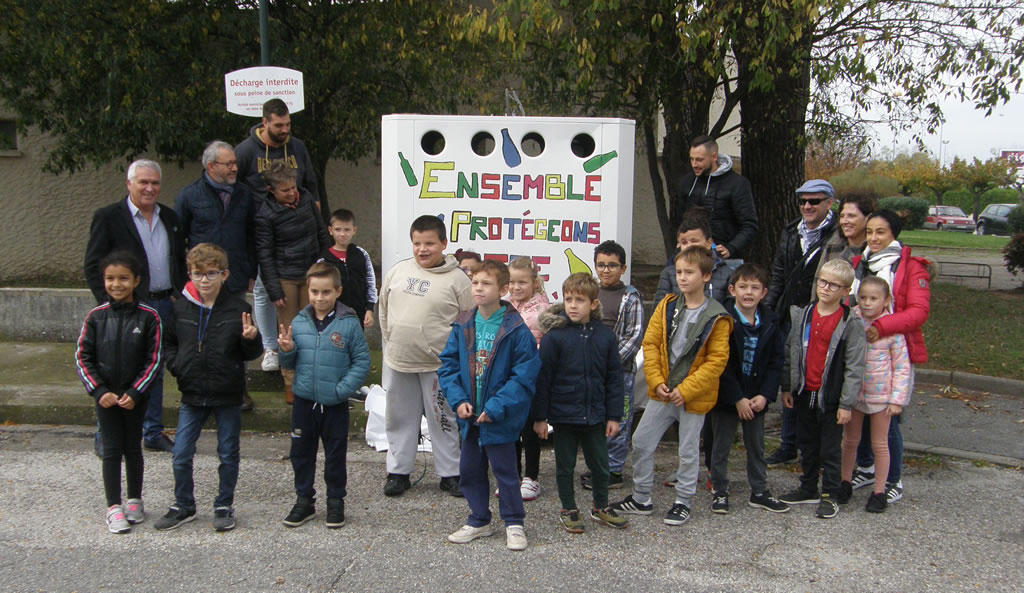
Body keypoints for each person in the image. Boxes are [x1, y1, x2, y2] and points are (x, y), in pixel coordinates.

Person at [610, 246, 732, 527]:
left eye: (689, 272)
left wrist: (686, 390)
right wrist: (656, 381)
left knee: (688, 451)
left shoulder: (718, 316)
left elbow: (716, 362)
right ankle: (641, 498)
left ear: (706, 276)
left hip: (693, 396)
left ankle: (683, 502)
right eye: (679, 272)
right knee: (641, 442)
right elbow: (650, 344)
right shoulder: (667, 306)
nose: (683, 277)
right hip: (663, 392)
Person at [154, 244, 263, 532]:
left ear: (224, 275)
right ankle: (184, 505)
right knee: (181, 453)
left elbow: (250, 353)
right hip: (192, 393)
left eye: (211, 273)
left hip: (227, 393)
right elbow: (169, 343)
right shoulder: (179, 308)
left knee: (228, 453)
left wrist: (251, 338)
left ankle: (224, 504)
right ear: (189, 274)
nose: (204, 280)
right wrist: (177, 365)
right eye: (197, 274)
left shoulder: (239, 308)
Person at [84, 159, 186, 454]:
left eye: (154, 182)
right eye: (143, 182)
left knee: (152, 369)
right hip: (124, 307)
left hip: (164, 305)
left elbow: (178, 259)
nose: (149, 188)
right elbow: (93, 265)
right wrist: (109, 304)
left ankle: (152, 431)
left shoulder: (170, 217)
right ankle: (107, 434)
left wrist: (178, 293)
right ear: (129, 184)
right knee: (116, 368)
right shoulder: (108, 217)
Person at [438, 260, 541, 551]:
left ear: (503, 289)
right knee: (470, 470)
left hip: (499, 418)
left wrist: (496, 407)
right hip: (469, 417)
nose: (478, 288)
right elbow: (447, 367)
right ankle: (479, 520)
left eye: (486, 283)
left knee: (506, 473)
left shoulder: (516, 328)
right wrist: (458, 401)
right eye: (475, 282)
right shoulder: (463, 323)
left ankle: (514, 522)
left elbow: (524, 376)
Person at [378, 215, 473, 497]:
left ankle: (450, 473)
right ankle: (398, 471)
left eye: (429, 243)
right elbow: (383, 309)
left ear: (443, 243)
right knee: (398, 418)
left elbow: (467, 322)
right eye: (417, 243)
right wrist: (392, 337)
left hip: (439, 366)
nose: (422, 249)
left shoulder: (459, 280)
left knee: (443, 418)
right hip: (399, 360)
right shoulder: (398, 271)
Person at [75, 251, 163, 533]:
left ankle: (135, 499)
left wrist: (136, 392)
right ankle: (114, 506)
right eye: (110, 279)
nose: (117, 284)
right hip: (106, 397)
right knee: (111, 450)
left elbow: (154, 358)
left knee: (133, 448)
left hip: (134, 397)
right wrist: (99, 390)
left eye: (124, 278)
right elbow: (82, 356)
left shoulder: (149, 317)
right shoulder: (96, 317)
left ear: (136, 281)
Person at [533, 273, 628, 533]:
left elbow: (614, 379)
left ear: (594, 304)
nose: (573, 305)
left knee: (600, 465)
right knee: (565, 466)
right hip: (564, 417)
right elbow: (543, 380)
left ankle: (601, 507)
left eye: (579, 300)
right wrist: (540, 417)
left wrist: (613, 416)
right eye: (568, 299)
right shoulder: (554, 337)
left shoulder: (605, 336)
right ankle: (568, 508)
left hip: (596, 416)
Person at [278, 262, 370, 529]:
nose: (320, 298)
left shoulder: (349, 323)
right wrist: (286, 350)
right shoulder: (299, 321)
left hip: (335, 405)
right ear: (308, 291)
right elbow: (290, 361)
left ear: (338, 291)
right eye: (315, 292)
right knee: (301, 454)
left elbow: (362, 361)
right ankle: (304, 500)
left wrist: (342, 389)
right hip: (304, 402)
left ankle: (335, 501)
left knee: (335, 455)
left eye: (326, 292)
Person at [848, 209, 931, 503]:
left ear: (894, 234)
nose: (873, 238)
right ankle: (867, 467)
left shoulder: (910, 268)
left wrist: (882, 327)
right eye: (869, 232)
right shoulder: (860, 264)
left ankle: (893, 479)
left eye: (880, 232)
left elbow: (918, 312)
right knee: (857, 414)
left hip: (893, 348)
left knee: (887, 421)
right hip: (861, 353)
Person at [235, 98, 319, 375]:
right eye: (279, 125)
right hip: (263, 228)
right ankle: (270, 347)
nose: (285, 130)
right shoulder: (246, 151)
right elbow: (236, 189)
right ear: (265, 122)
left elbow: (311, 183)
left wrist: (312, 210)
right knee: (264, 288)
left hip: (298, 231)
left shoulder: (297, 147)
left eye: (288, 124)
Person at [777, 259, 866, 519]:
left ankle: (830, 493)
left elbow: (855, 366)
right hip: (804, 392)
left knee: (829, 447)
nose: (825, 288)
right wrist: (787, 387)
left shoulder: (850, 323)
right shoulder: (802, 315)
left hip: (832, 397)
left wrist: (846, 404)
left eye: (833, 285)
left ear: (845, 291)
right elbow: (790, 353)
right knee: (807, 443)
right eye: (822, 282)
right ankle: (807, 487)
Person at [175, 140, 258, 411]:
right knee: (201, 336)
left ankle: (239, 390)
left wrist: (251, 270)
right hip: (201, 281)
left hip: (232, 278)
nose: (235, 167)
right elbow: (179, 241)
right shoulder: (189, 196)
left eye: (235, 162)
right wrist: (182, 280)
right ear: (211, 166)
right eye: (229, 163)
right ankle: (199, 389)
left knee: (235, 334)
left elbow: (251, 236)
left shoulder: (244, 195)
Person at [763, 179, 841, 466]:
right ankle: (788, 443)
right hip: (790, 313)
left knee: (817, 378)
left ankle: (815, 446)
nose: (807, 206)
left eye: (814, 201)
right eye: (803, 201)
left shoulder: (837, 234)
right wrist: (770, 310)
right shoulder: (790, 231)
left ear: (829, 203)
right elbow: (779, 272)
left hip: (820, 314)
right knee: (791, 377)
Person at [708, 263, 789, 515]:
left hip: (756, 397)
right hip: (728, 397)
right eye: (743, 286)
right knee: (721, 445)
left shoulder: (771, 322)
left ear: (764, 293)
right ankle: (719, 489)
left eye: (755, 288)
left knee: (757, 445)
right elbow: (723, 365)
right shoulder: (723, 320)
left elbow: (776, 363)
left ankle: (759, 490)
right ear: (732, 289)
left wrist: (765, 395)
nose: (748, 292)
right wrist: (737, 398)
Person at [254, 161, 331, 404]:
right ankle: (290, 382)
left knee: (314, 326)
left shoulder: (306, 199)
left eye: (293, 187)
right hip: (285, 276)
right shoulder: (264, 215)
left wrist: (325, 263)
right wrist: (274, 289)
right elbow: (264, 255)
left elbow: (320, 232)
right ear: (271, 190)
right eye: (285, 190)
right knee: (288, 332)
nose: (292, 192)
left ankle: (314, 379)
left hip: (311, 273)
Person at [839, 276, 912, 513]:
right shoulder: (852, 320)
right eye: (863, 298)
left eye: (874, 298)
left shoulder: (892, 329)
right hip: (854, 395)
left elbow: (902, 367)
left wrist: (896, 400)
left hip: (881, 398)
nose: (868, 303)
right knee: (850, 441)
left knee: (880, 443)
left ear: (886, 300)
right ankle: (845, 481)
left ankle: (879, 491)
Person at [579, 241, 643, 492]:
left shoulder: (631, 297)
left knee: (618, 418)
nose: (606, 271)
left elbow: (634, 336)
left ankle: (614, 470)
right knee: (593, 419)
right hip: (589, 369)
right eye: (601, 265)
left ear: (623, 268)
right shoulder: (590, 292)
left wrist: (608, 363)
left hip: (619, 371)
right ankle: (598, 465)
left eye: (612, 266)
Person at [669, 135, 758, 260]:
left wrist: (731, 248)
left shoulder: (737, 184)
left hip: (723, 257)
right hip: (688, 255)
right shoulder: (687, 182)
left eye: (699, 160)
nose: (694, 164)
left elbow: (749, 225)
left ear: (714, 156)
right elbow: (679, 220)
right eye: (692, 159)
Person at [505, 256, 550, 501]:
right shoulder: (504, 306)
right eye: (512, 282)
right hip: (508, 378)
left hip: (532, 378)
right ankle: (512, 475)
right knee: (511, 429)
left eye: (522, 282)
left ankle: (531, 478)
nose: (516, 287)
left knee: (530, 430)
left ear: (535, 283)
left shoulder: (543, 310)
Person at [654, 207, 732, 304]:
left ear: (709, 243)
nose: (689, 246)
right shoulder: (669, 273)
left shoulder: (726, 274)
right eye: (684, 242)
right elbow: (659, 311)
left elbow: (731, 311)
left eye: (694, 241)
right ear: (678, 244)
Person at [321, 209, 377, 330]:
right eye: (338, 229)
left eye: (347, 230)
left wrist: (369, 309)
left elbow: (370, 282)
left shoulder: (361, 254)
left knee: (356, 345)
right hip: (332, 313)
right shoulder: (324, 259)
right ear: (330, 231)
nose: (342, 234)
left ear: (354, 230)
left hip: (358, 312)